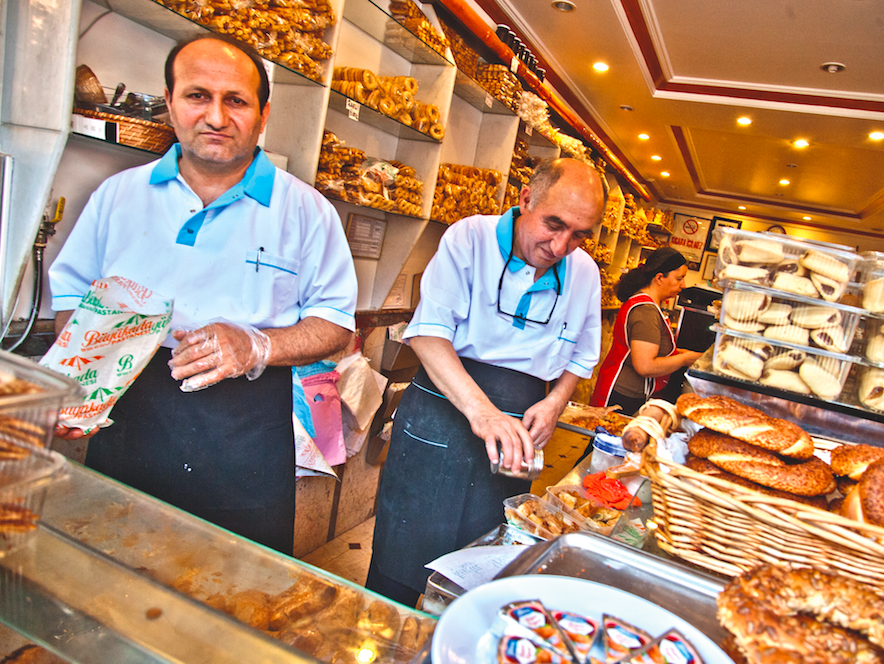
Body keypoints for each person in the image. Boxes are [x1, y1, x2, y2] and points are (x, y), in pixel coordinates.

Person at [47, 34, 358, 555]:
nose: (216, 116)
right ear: (170, 104)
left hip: (244, 433)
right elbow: (72, 304)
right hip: (129, 416)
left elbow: (335, 327)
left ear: (262, 115)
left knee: (239, 577)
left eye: (236, 100)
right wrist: (85, 382)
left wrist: (256, 345)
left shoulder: (307, 211)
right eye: (197, 96)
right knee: (113, 566)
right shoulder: (118, 196)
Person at [365, 158, 606, 606]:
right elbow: (429, 335)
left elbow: (581, 357)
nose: (560, 246)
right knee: (402, 556)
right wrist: (482, 412)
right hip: (442, 408)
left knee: (480, 565)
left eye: (579, 235)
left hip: (519, 426)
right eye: (554, 224)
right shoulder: (470, 238)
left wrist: (555, 401)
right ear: (526, 199)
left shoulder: (586, 273)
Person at [590, 247, 702, 415]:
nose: (683, 285)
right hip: (623, 396)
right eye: (679, 278)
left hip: (628, 393)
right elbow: (645, 366)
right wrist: (685, 359)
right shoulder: (645, 310)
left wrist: (679, 353)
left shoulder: (647, 305)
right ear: (659, 278)